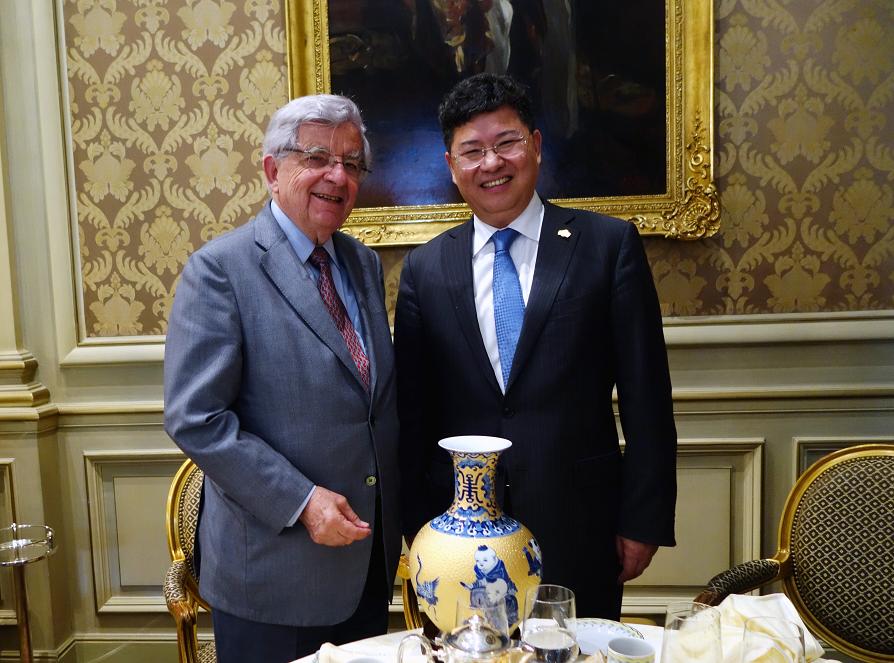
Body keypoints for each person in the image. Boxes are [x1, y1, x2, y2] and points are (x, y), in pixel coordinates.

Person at [394, 73, 676, 620]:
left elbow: (647, 396)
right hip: (461, 537)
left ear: (537, 146)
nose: (491, 163)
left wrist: (643, 519)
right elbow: (414, 413)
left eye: (507, 143)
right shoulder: (425, 269)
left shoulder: (606, 245)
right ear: (451, 165)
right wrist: (417, 523)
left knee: (577, 651)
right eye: (472, 151)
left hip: (581, 521)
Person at [164, 94, 401, 663]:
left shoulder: (362, 263)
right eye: (316, 158)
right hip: (274, 577)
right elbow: (197, 419)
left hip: (365, 562)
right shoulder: (220, 270)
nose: (337, 176)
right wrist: (302, 502)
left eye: (352, 163)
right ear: (273, 171)